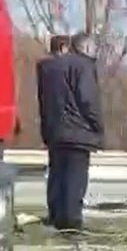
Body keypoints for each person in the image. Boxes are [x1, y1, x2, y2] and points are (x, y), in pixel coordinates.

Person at [38, 32, 104, 230]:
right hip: (78, 132)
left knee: (57, 176)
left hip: (55, 131)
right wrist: (98, 125)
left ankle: (55, 219)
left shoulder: (47, 67)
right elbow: (88, 100)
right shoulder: (83, 66)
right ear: (85, 48)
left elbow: (43, 100)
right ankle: (71, 226)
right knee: (75, 181)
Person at [36, 34, 71, 225]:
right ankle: (64, 211)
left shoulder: (44, 67)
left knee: (55, 169)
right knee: (67, 171)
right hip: (65, 123)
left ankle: (54, 210)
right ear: (64, 48)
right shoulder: (63, 68)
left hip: (49, 123)